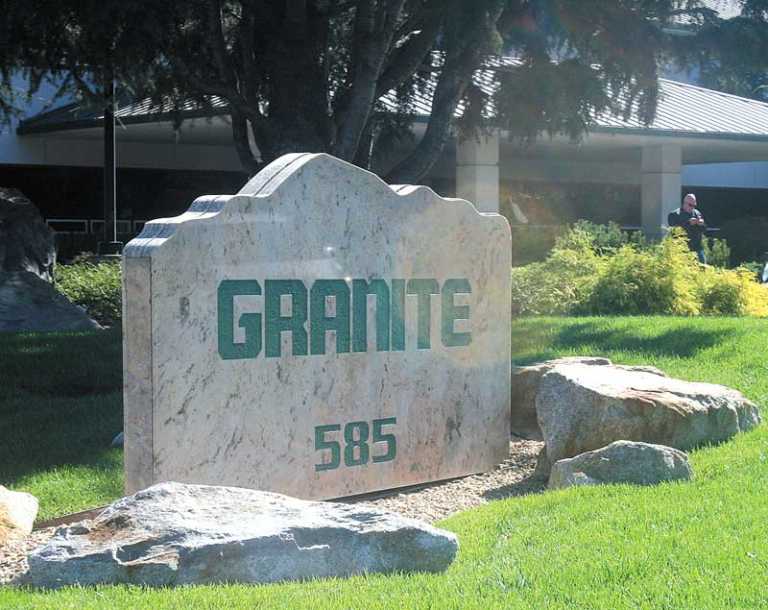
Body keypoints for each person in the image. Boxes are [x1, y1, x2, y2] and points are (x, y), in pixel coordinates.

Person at [668, 193, 707, 263]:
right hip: (682, 249)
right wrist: (688, 223)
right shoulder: (674, 214)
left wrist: (701, 224)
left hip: (697, 248)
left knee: (703, 269)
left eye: (694, 205)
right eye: (690, 205)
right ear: (684, 203)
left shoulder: (697, 213)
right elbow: (674, 231)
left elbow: (704, 229)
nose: (692, 207)